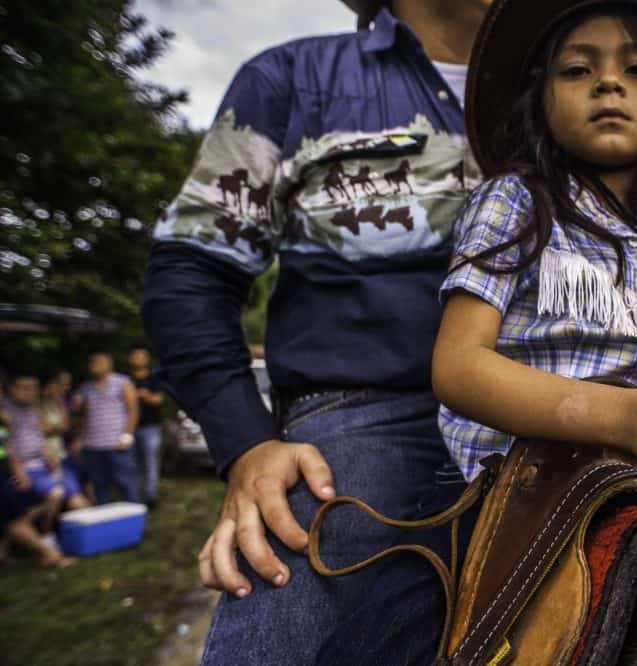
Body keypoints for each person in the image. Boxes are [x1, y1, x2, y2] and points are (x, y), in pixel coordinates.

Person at [140, 1, 492, 663]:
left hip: (571, 411)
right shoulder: (292, 80)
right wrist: (247, 445)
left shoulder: (580, 79)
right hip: (366, 423)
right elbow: (191, 269)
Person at [432, 0, 637, 483]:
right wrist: (628, 417)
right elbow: (458, 367)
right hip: (536, 486)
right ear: (538, 99)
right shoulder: (514, 201)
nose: (608, 82)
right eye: (578, 69)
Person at [3, 373, 89, 533]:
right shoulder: (5, 412)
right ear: (12, 390)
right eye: (25, 388)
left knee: (77, 499)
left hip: (44, 464)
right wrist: (17, 470)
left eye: (33, 388)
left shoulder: (33, 409)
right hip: (25, 469)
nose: (30, 392)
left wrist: (50, 456)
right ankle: (46, 534)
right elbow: (7, 444)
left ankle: (91, 532)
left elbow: (39, 439)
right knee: (56, 494)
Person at [73, 352, 139, 504]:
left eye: (97, 361)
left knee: (125, 482)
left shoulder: (122, 382)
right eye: (91, 362)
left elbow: (133, 409)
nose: (93, 365)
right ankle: (108, 521)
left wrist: (127, 435)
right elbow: (84, 416)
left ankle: (134, 519)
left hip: (117, 443)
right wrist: (80, 438)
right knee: (99, 485)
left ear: (108, 364)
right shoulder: (86, 388)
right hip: (93, 445)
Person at [127, 345, 165, 509]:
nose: (138, 359)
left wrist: (144, 395)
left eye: (142, 356)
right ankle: (135, 497)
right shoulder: (125, 380)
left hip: (150, 427)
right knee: (133, 463)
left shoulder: (154, 378)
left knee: (150, 461)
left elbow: (159, 400)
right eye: (135, 356)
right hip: (130, 428)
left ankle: (150, 496)